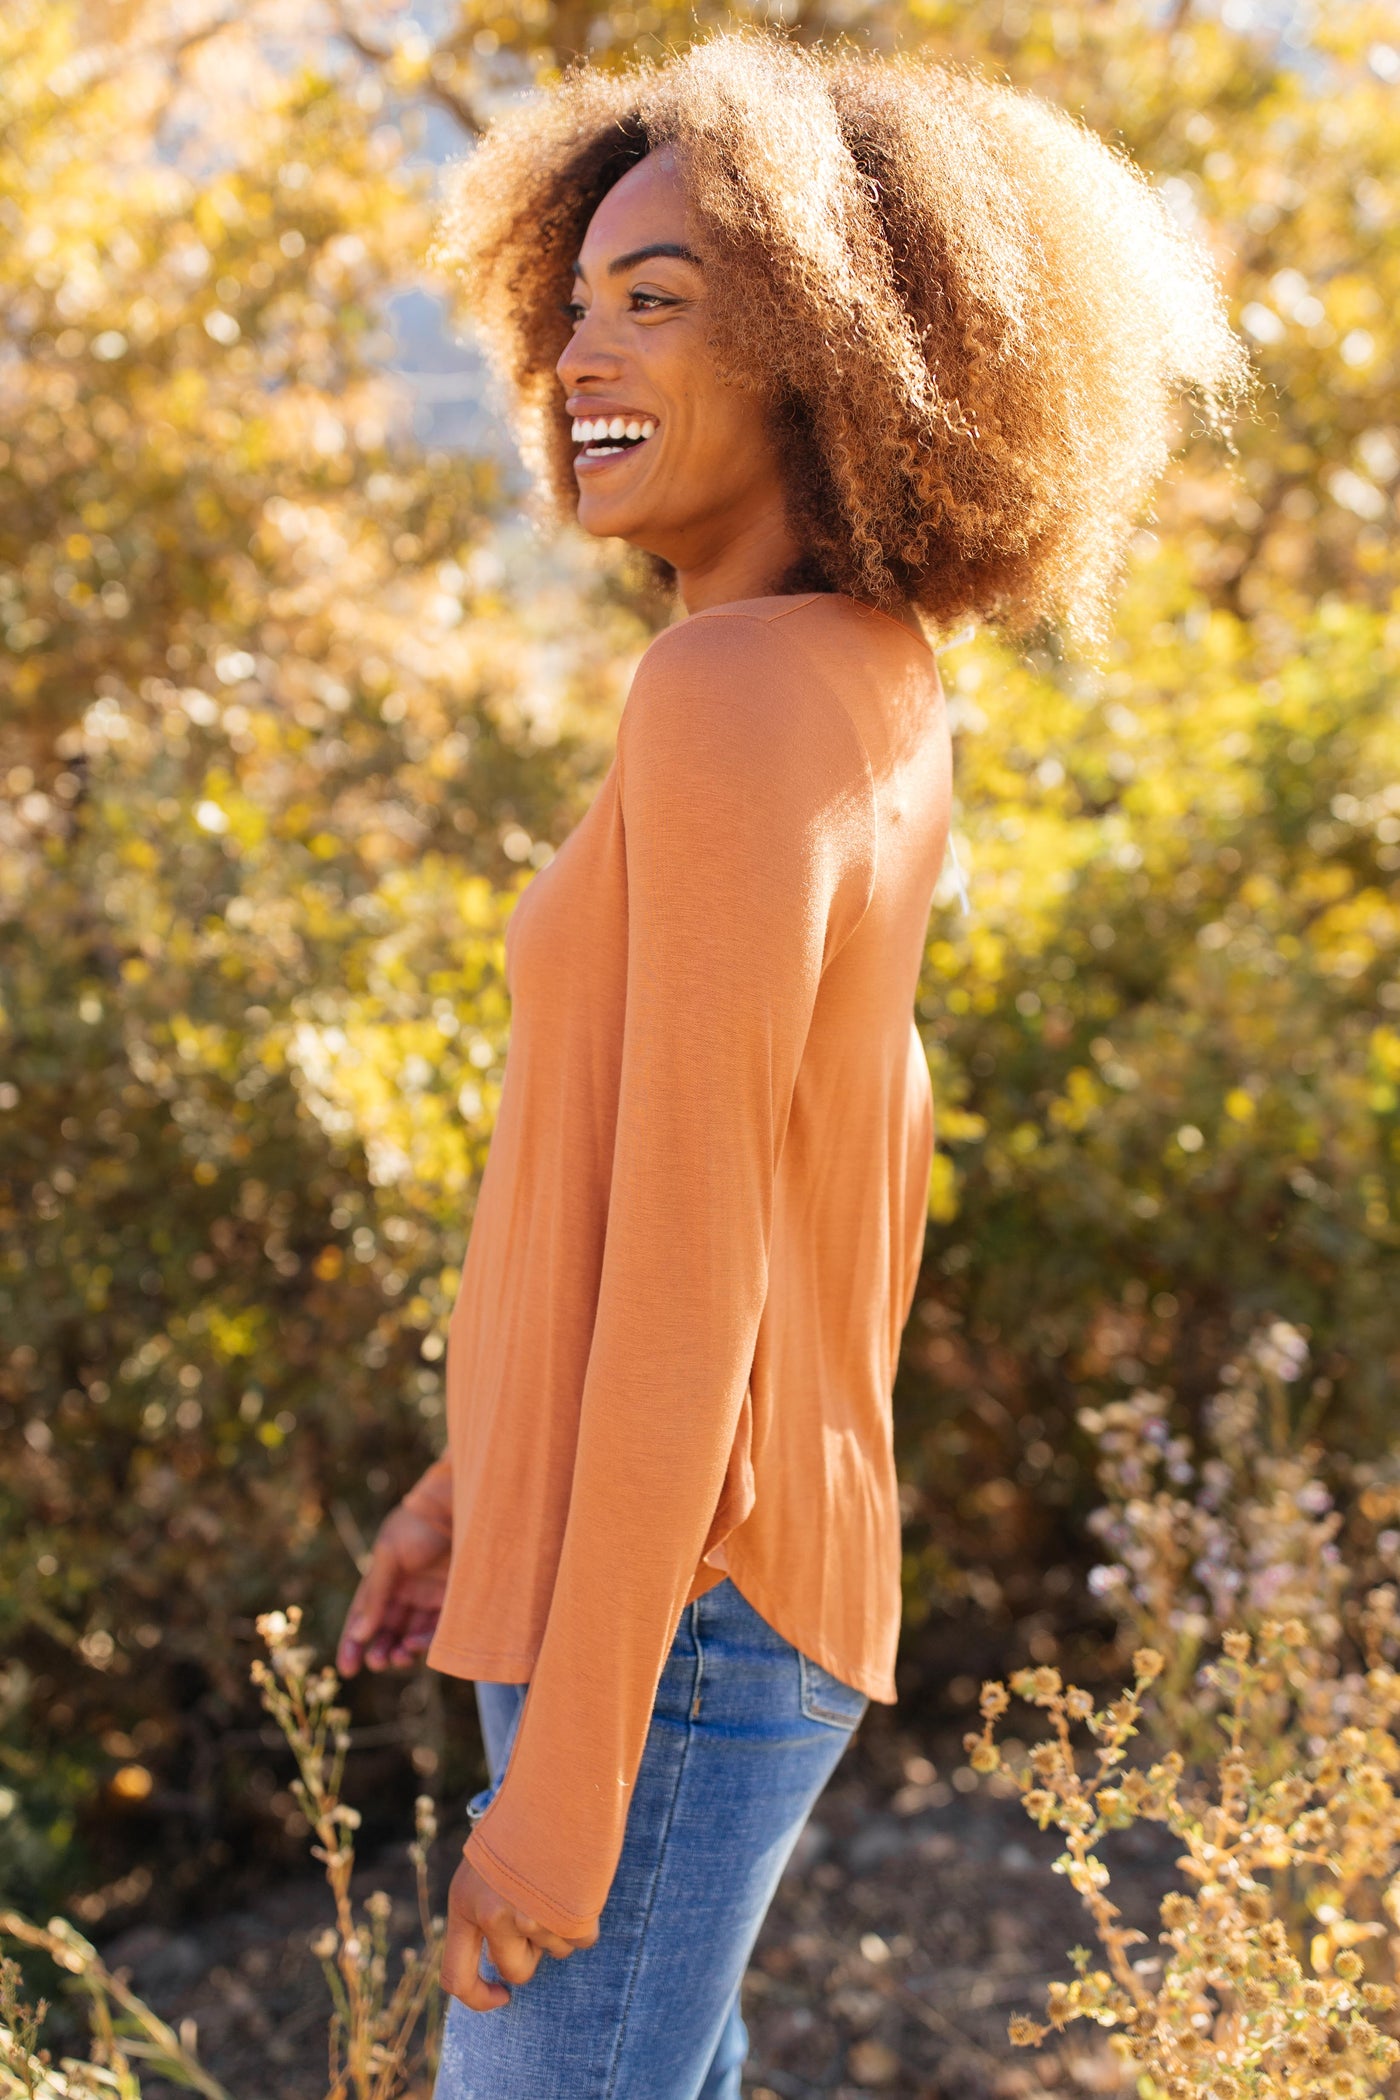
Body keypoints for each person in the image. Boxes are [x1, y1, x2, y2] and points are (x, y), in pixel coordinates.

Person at [335, 33, 1244, 2100]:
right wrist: (477, 1471)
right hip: (668, 1580)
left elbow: (702, 1259)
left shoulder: (731, 692)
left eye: (659, 302)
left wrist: (566, 1790)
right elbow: (800, 1167)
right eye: (575, 300)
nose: (583, 352)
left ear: (835, 356)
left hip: (659, 1621)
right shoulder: (852, 672)